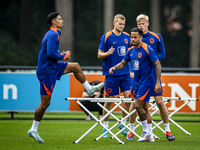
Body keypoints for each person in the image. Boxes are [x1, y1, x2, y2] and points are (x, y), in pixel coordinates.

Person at [27, 12, 104, 143]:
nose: (62, 21)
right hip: (46, 71)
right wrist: (63, 56)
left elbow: (50, 53)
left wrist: (60, 55)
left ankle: (89, 89)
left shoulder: (54, 34)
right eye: (59, 19)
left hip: (52, 67)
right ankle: (33, 129)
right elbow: (50, 53)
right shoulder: (52, 34)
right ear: (53, 22)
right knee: (45, 103)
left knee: (75, 66)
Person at [127, 14, 175, 141]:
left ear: (147, 23)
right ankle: (133, 131)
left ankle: (168, 130)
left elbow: (163, 54)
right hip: (139, 76)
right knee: (139, 105)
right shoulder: (133, 37)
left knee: (160, 102)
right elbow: (130, 57)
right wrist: (131, 71)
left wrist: (150, 58)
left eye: (143, 23)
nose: (141, 26)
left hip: (153, 75)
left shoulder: (156, 37)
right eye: (139, 24)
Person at [109, 27, 162, 142]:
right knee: (142, 108)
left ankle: (146, 132)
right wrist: (114, 67)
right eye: (131, 37)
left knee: (137, 105)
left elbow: (157, 65)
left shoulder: (147, 49)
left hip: (147, 82)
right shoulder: (131, 50)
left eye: (135, 37)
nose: (132, 39)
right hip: (136, 82)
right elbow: (123, 64)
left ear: (141, 37)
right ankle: (147, 135)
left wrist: (157, 83)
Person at [98, 14, 134, 137]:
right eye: (120, 24)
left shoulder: (127, 37)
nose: (122, 26)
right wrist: (107, 53)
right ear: (114, 23)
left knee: (128, 98)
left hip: (125, 74)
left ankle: (123, 123)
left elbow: (131, 53)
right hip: (111, 73)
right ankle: (105, 127)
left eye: (123, 24)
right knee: (109, 101)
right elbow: (99, 54)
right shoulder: (107, 37)